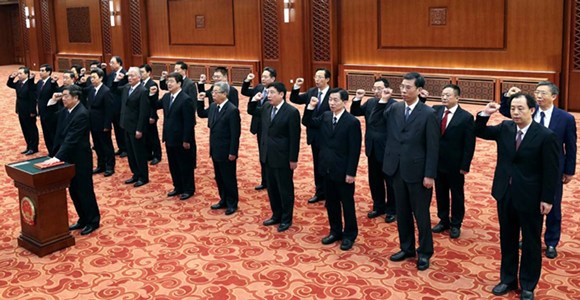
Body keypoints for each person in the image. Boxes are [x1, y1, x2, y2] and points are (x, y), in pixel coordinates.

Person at [476, 94, 559, 300]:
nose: (515, 113)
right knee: (507, 239)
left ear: (532, 110)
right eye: (513, 108)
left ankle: (528, 284)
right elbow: (480, 131)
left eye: (520, 108)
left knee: (531, 242)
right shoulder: (505, 128)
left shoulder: (545, 135)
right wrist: (485, 113)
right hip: (505, 193)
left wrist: (548, 199)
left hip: (531, 197)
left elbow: (551, 171)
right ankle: (508, 279)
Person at [499, 82, 577, 259]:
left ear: (554, 97)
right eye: (537, 93)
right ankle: (528, 237)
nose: (539, 96)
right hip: (528, 168)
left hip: (553, 169)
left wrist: (569, 170)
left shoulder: (565, 118)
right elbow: (507, 112)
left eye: (543, 93)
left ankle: (551, 241)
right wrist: (507, 97)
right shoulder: (529, 112)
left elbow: (571, 146)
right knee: (528, 206)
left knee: (552, 205)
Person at [383, 72, 439, 271]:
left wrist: (430, 174)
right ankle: (406, 247)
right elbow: (377, 122)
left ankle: (425, 252)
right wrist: (383, 101)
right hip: (397, 169)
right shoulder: (394, 108)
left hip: (418, 172)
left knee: (421, 215)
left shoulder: (428, 113)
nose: (404, 90)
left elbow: (433, 147)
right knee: (402, 212)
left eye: (408, 87)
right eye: (402, 87)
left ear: (419, 90)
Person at [303, 88, 362, 251]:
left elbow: (354, 150)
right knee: (332, 203)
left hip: (343, 171)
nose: (332, 103)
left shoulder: (352, 122)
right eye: (330, 100)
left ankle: (350, 234)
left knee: (347, 204)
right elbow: (308, 122)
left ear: (345, 102)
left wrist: (351, 172)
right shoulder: (326, 116)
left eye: (335, 100)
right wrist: (310, 107)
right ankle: (335, 231)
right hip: (326, 168)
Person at [44, 85, 101, 236]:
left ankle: (93, 220)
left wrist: (56, 158)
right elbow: (51, 121)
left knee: (84, 190)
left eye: (66, 96)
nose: (63, 99)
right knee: (73, 190)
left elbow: (71, 140)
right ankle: (83, 218)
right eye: (62, 96)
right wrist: (51, 102)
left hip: (80, 158)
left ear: (76, 98)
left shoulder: (82, 113)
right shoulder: (66, 110)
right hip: (68, 157)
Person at [248, 82, 300, 232]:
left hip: (283, 157)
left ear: (282, 94)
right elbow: (252, 111)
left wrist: (293, 159)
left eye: (272, 93)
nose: (268, 96)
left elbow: (294, 137)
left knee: (285, 189)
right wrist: (254, 100)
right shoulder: (266, 107)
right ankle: (276, 214)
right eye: (267, 93)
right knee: (272, 188)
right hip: (267, 155)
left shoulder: (291, 112)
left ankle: (286, 218)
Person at [431, 84, 475, 239]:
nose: (444, 97)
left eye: (448, 95)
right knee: (440, 192)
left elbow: (469, 144)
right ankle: (443, 220)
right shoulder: (435, 111)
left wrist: (465, 165)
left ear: (457, 97)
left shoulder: (466, 117)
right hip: (437, 162)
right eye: (443, 94)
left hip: (455, 164)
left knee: (456, 194)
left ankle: (456, 224)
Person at [351, 78, 397, 223]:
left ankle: (392, 209)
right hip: (371, 147)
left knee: (390, 181)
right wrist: (357, 98)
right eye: (374, 88)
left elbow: (380, 120)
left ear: (387, 89)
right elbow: (355, 112)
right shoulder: (370, 102)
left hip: (387, 149)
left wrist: (383, 101)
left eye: (379, 89)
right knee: (374, 180)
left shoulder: (394, 105)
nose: (376, 91)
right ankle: (378, 206)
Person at [149, 72, 196, 200]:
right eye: (168, 81)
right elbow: (154, 105)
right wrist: (152, 94)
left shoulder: (186, 99)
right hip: (169, 137)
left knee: (184, 164)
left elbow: (189, 122)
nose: (169, 84)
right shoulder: (166, 97)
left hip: (181, 139)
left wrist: (186, 139)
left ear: (179, 84)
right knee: (173, 164)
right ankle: (178, 186)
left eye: (171, 82)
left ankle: (188, 189)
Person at [197, 82, 241, 215]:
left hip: (227, 151)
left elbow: (235, 134)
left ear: (225, 94)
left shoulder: (232, 110)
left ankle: (232, 203)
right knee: (219, 177)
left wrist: (233, 152)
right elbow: (201, 114)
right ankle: (223, 199)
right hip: (215, 149)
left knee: (229, 178)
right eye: (212, 92)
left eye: (216, 92)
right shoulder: (213, 106)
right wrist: (199, 101)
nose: (213, 94)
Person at [290, 68, 332, 204]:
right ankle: (319, 192)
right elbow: (294, 98)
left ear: (327, 79)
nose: (317, 80)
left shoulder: (334, 94)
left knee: (328, 165)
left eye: (320, 77)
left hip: (328, 135)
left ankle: (330, 194)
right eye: (316, 77)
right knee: (317, 164)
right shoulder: (312, 92)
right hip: (314, 134)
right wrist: (296, 86)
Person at [112, 67, 150, 187]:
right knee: (131, 153)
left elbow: (143, 113)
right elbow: (113, 90)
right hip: (126, 125)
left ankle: (143, 177)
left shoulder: (142, 90)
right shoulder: (126, 88)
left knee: (139, 153)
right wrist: (116, 80)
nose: (130, 78)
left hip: (136, 127)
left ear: (139, 77)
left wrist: (139, 129)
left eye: (133, 76)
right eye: (129, 76)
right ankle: (135, 174)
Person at [242, 67, 277, 190]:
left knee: (271, 154)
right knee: (262, 154)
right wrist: (247, 80)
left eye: (266, 77)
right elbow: (244, 92)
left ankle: (273, 180)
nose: (263, 79)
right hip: (259, 125)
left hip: (271, 126)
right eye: (262, 76)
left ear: (273, 78)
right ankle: (264, 181)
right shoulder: (258, 88)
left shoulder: (277, 91)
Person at [85, 68, 115, 177]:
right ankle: (101, 165)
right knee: (97, 145)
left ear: (101, 78)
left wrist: (107, 125)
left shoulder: (106, 91)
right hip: (93, 123)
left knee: (106, 146)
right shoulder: (92, 89)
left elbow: (109, 110)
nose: (92, 80)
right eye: (91, 77)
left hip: (103, 124)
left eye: (94, 77)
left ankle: (110, 166)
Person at [6, 67, 39, 155]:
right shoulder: (18, 83)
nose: (19, 75)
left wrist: (33, 111)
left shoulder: (31, 84)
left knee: (31, 129)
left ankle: (34, 147)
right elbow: (9, 84)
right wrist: (11, 77)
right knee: (24, 128)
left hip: (29, 110)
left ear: (26, 74)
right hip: (20, 109)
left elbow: (33, 99)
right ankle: (28, 146)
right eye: (18, 73)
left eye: (20, 73)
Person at [104, 56, 128, 157]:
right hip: (112, 105)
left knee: (121, 128)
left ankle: (126, 148)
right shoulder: (112, 74)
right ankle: (121, 147)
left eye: (112, 62)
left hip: (121, 105)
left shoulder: (125, 74)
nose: (110, 64)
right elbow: (107, 85)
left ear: (119, 63)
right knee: (116, 128)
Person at [35, 64, 61, 156]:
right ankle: (50, 151)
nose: (40, 73)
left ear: (48, 72)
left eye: (43, 71)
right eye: (40, 70)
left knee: (52, 133)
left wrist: (54, 82)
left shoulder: (52, 82)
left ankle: (56, 152)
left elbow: (57, 91)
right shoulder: (39, 83)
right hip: (42, 112)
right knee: (46, 133)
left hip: (51, 113)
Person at [140, 63, 162, 165]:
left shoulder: (152, 84)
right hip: (142, 114)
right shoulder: (140, 83)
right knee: (145, 135)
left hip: (150, 114)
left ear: (148, 73)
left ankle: (157, 155)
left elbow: (154, 102)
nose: (141, 74)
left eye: (142, 72)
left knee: (153, 136)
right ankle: (148, 154)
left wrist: (152, 115)